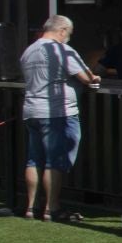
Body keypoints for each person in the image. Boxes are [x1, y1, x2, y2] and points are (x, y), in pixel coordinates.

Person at [20, 15, 100, 222]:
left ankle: (31, 207)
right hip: (57, 112)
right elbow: (86, 77)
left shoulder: (29, 51)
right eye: (69, 34)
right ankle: (51, 208)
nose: (68, 38)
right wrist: (95, 78)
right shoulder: (62, 50)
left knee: (34, 159)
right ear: (62, 30)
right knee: (54, 161)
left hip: (31, 111)